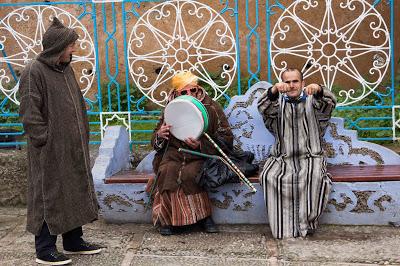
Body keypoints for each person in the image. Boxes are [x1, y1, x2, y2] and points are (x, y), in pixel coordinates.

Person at [19, 17, 101, 265]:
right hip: (49, 149)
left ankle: (73, 241)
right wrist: (45, 140)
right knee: (49, 195)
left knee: (72, 189)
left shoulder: (65, 69)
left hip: (71, 147)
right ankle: (44, 249)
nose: (74, 49)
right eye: (71, 45)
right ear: (57, 47)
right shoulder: (34, 71)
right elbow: (29, 113)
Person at [151, 71, 233, 235]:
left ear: (198, 89)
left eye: (193, 90)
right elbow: (155, 142)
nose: (190, 95)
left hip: (201, 155)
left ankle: (204, 218)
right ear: (176, 93)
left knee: (191, 174)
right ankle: (167, 220)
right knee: (168, 171)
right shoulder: (170, 108)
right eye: (184, 92)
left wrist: (200, 145)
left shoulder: (211, 107)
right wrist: (160, 135)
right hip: (173, 155)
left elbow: (227, 138)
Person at [257, 68, 336, 239]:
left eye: (295, 81)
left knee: (314, 177)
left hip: (311, 156)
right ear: (282, 83)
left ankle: (306, 224)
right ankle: (284, 229)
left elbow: (330, 102)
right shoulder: (277, 104)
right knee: (269, 176)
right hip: (282, 157)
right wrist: (273, 91)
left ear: (302, 83)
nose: (292, 85)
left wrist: (319, 90)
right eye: (287, 82)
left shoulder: (313, 102)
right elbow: (262, 107)